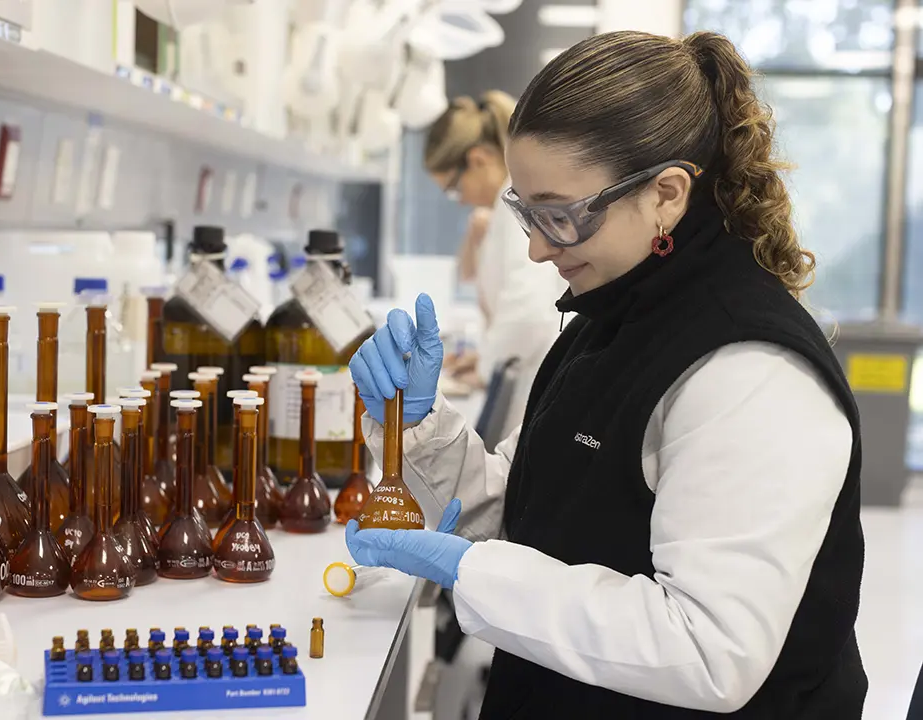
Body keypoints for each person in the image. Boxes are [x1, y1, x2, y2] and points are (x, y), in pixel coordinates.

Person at [347, 30, 866, 718]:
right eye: (526, 213)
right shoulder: (613, 315)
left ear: (667, 193)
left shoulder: (748, 370)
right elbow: (535, 510)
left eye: (560, 216)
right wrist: (417, 427)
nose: (536, 249)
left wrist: (469, 570)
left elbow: (709, 649)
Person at [424, 91, 566, 431]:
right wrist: (485, 357)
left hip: (534, 380)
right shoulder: (505, 208)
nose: (460, 201)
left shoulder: (516, 202)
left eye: (454, 188)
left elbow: (529, 309)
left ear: (478, 159)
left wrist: (487, 367)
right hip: (527, 374)